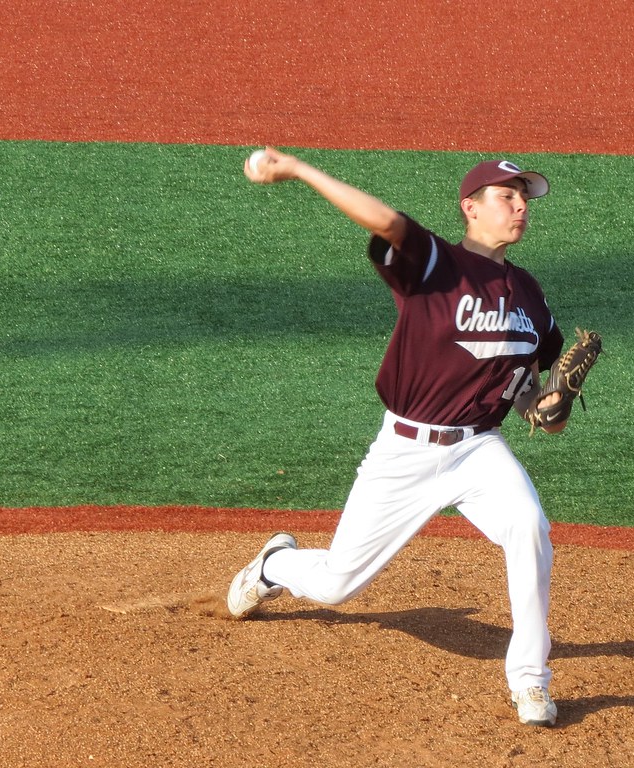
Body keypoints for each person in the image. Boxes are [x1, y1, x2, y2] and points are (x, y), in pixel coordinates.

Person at [229, 149, 568, 727]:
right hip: (406, 449)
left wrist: (548, 409)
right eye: (506, 196)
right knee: (337, 583)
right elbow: (384, 222)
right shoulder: (439, 264)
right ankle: (274, 566)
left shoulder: (530, 295)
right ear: (471, 207)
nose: (519, 207)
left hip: (479, 449)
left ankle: (530, 680)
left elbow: (527, 392)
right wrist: (301, 171)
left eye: (524, 199)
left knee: (529, 527)